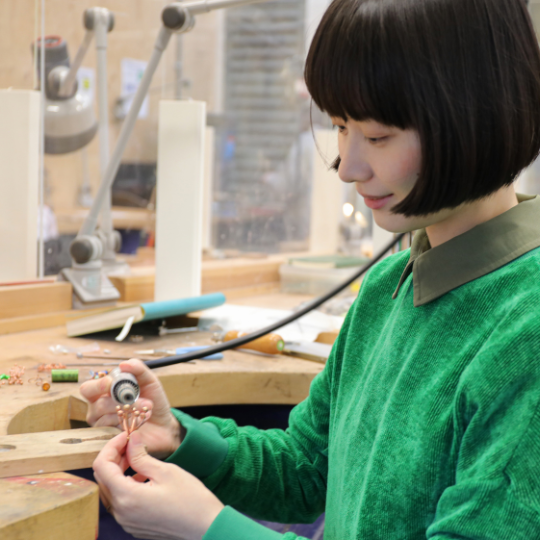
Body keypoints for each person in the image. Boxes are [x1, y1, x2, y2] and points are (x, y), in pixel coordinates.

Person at [85, 0, 540, 538]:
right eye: (340, 127)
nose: (347, 166)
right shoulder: (384, 290)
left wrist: (210, 528)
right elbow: (306, 466)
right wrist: (181, 438)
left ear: (475, 113)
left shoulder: (525, 329)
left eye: (377, 136)